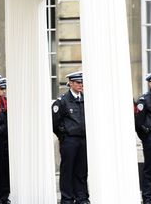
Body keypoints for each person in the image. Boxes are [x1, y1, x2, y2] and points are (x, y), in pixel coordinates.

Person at [53, 71, 89, 204]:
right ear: (71, 84)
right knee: (67, 170)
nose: (81, 85)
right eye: (78, 82)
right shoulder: (62, 101)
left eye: (82, 82)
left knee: (82, 170)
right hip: (69, 140)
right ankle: (67, 198)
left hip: (83, 140)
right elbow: (55, 123)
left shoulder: (85, 99)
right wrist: (64, 135)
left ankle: (82, 198)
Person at [136, 72, 151, 204]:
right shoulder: (144, 100)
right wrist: (146, 138)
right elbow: (138, 123)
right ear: (150, 83)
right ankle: (147, 199)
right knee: (149, 169)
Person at [0, 77, 9, 204]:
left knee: (6, 171)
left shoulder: (7, 102)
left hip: (7, 141)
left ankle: (4, 196)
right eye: (2, 89)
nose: (3, 91)